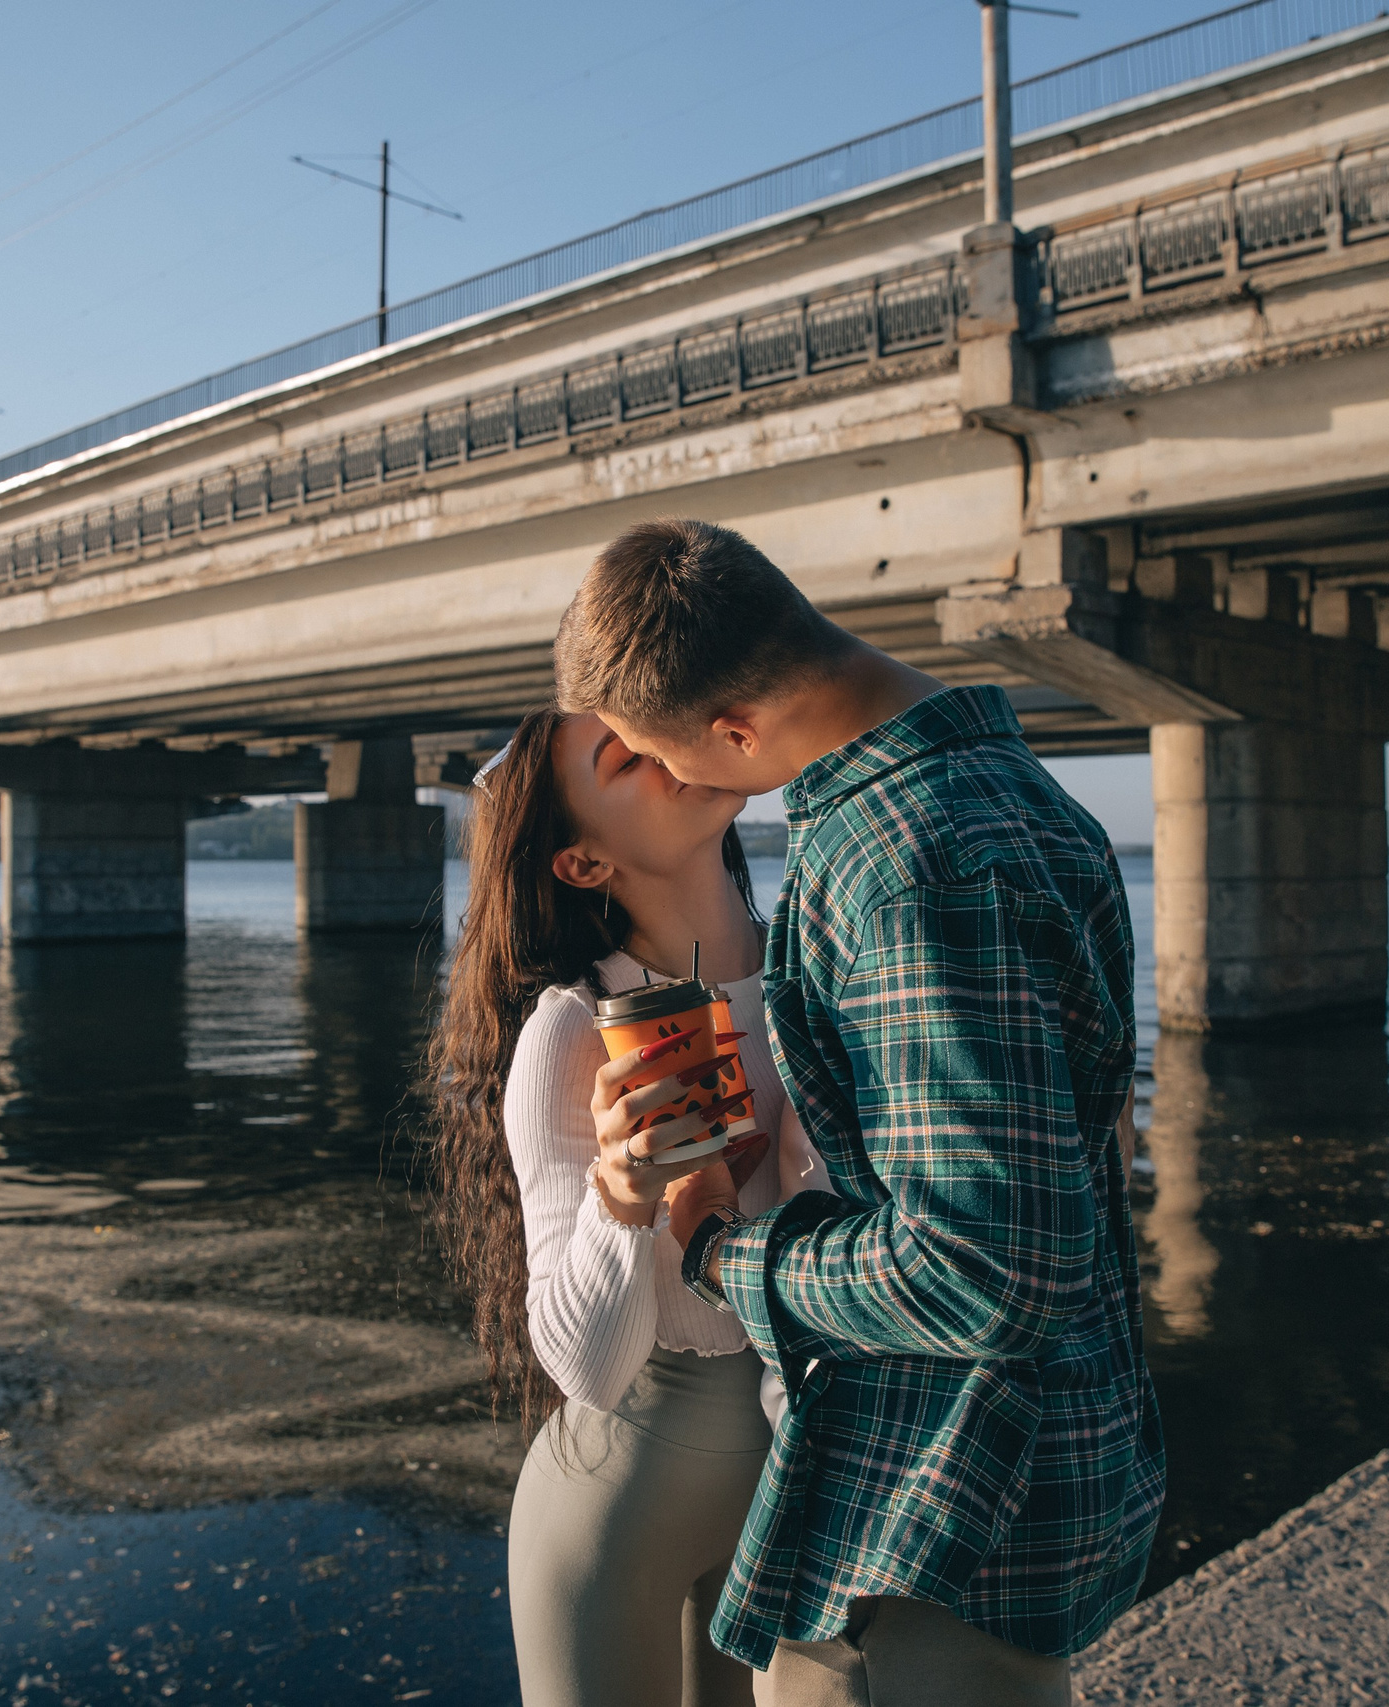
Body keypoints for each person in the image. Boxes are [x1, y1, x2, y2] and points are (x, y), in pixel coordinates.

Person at [553, 519, 1163, 1707]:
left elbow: (989, 1267)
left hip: (934, 1506)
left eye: (659, 753)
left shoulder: (904, 863)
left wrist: (730, 1256)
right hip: (1013, 1477)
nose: (671, 782)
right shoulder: (1010, 790)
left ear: (735, 731)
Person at [422, 703, 830, 1707]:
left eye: (660, 726)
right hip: (614, 1508)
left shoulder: (821, 984)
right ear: (583, 864)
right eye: (625, 755)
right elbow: (587, 1370)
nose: (666, 746)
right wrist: (621, 1193)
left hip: (798, 1479)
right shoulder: (572, 1032)